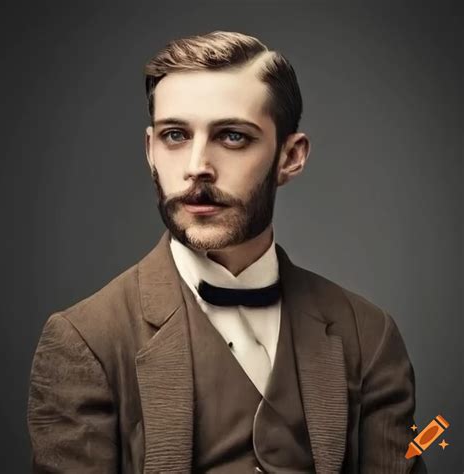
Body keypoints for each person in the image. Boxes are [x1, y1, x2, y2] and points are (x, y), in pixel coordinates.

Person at [27, 31, 427, 473]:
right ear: (150, 151)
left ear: (290, 157)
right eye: (175, 135)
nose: (198, 165)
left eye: (233, 136)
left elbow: (411, 455)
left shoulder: (369, 335)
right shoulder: (85, 341)